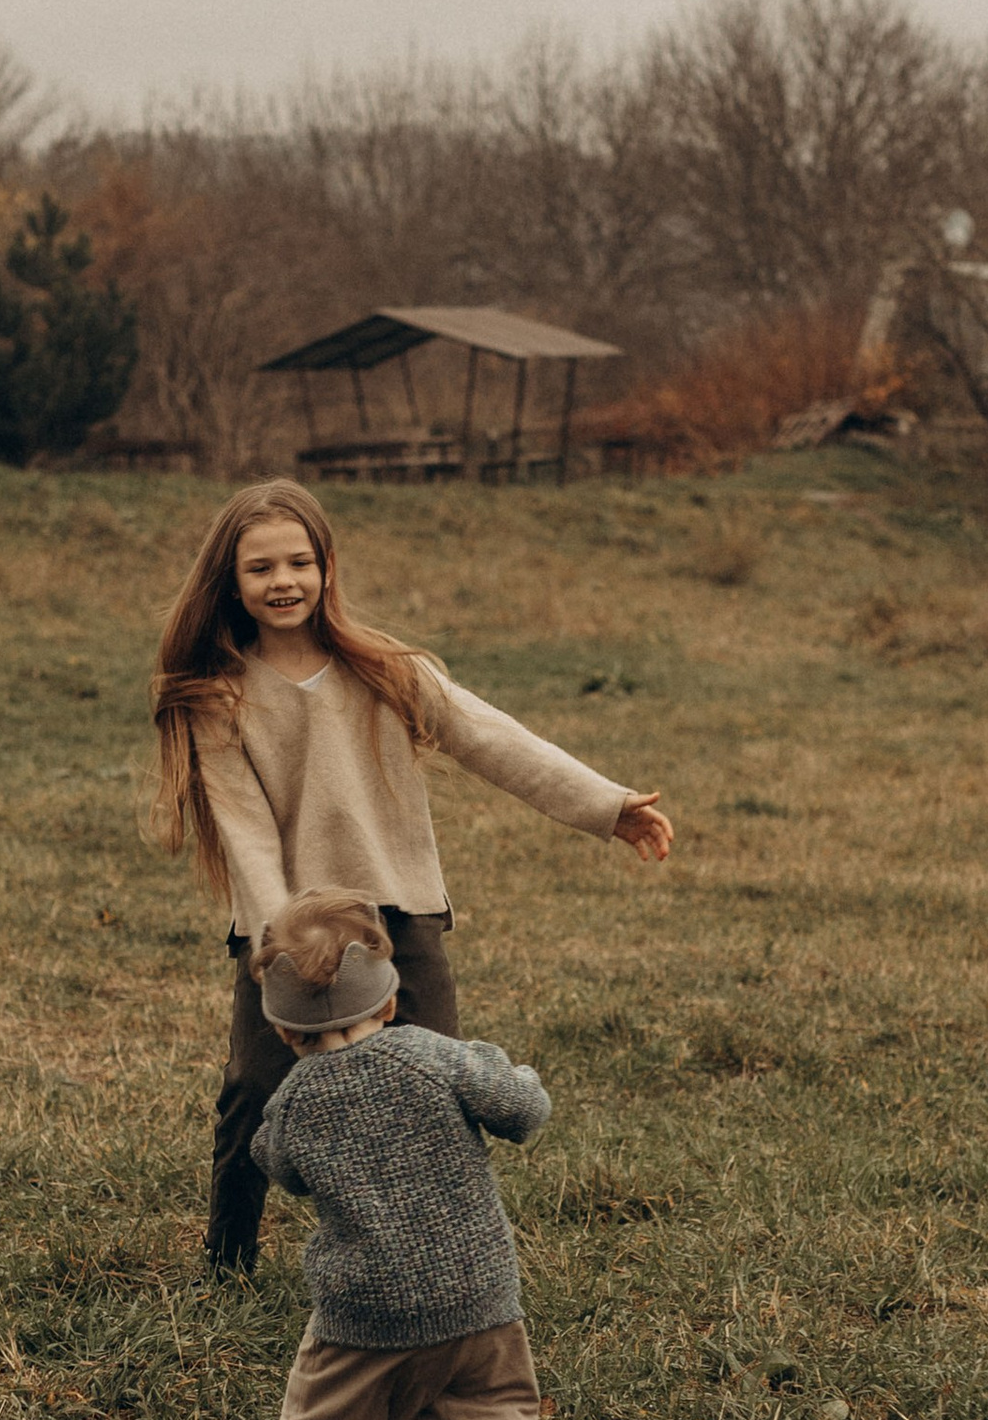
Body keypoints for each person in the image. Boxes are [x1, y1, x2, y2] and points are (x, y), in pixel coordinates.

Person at [148, 477, 670, 1279]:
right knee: (254, 1090)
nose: (282, 581)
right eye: (261, 568)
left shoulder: (389, 670)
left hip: (398, 910)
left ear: (326, 566)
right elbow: (245, 832)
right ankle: (228, 1259)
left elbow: (496, 740)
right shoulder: (219, 697)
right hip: (282, 926)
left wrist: (607, 805)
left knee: (440, 1081)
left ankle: (449, 1252)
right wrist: (276, 942)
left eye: (299, 561)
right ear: (233, 581)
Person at [219, 890, 552, 1420]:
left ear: (283, 1033)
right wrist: (508, 1071)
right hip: (480, 1290)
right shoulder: (439, 1056)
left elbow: (279, 1166)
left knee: (329, 1409)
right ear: (391, 1002)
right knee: (485, 1401)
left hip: (367, 1305)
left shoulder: (293, 1101)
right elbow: (523, 1109)